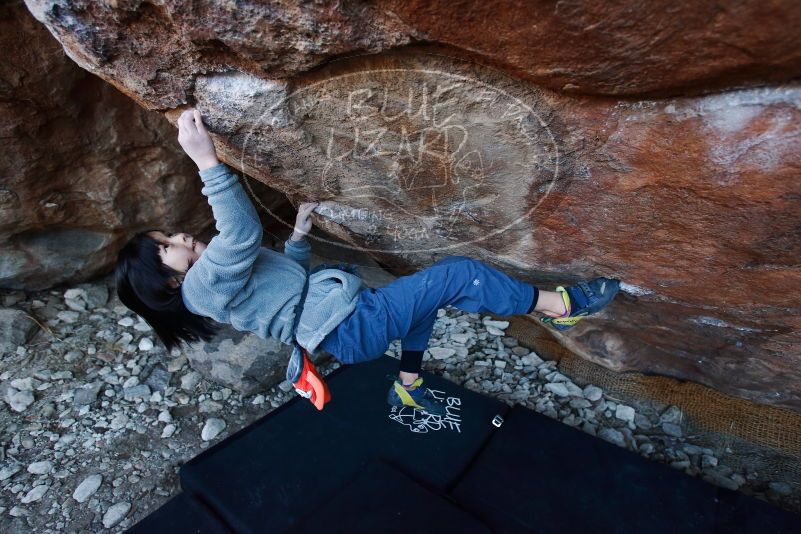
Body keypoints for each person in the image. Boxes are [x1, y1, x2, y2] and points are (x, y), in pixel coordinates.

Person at [116, 109, 620, 415]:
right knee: (457, 274)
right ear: (164, 280)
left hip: (346, 322)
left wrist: (296, 239)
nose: (180, 236)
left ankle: (409, 385)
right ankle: (558, 305)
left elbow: (281, 290)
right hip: (352, 325)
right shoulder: (200, 288)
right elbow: (241, 232)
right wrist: (207, 162)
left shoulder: (213, 285)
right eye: (166, 245)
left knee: (424, 308)